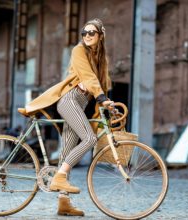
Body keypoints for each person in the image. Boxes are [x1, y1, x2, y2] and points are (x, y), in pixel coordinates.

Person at [18, 18, 113, 216]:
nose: (87, 35)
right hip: (69, 100)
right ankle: (60, 177)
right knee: (89, 138)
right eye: (84, 32)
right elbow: (88, 77)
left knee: (67, 152)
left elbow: (103, 84)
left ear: (100, 36)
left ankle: (63, 203)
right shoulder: (78, 50)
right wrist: (101, 97)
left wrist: (107, 103)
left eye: (91, 32)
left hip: (81, 105)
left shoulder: (102, 59)